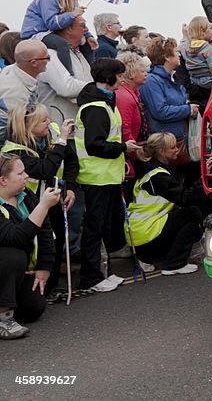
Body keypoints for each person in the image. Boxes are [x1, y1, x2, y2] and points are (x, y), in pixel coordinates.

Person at [75, 58, 143, 293]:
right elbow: (95, 145)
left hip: (108, 175)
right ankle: (91, 278)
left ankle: (104, 272)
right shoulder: (95, 107)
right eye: (119, 75)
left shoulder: (104, 101)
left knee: (103, 227)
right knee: (94, 228)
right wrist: (124, 148)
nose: (122, 79)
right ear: (107, 78)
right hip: (96, 176)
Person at [1, 103, 78, 298]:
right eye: (43, 120)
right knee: (34, 242)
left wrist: (69, 187)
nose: (49, 122)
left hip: (53, 197)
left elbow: (70, 160)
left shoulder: (51, 132)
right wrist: (61, 141)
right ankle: (31, 288)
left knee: (56, 240)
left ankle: (49, 287)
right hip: (27, 203)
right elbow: (45, 170)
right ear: (28, 126)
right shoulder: (16, 150)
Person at [125, 133, 205, 275]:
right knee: (193, 213)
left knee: (186, 215)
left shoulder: (150, 169)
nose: (177, 150)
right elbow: (185, 197)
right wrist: (203, 177)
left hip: (139, 234)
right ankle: (175, 264)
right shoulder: (158, 176)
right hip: (145, 234)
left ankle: (146, 257)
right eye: (172, 147)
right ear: (161, 152)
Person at [0, 152, 59, 339]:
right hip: (7, 261)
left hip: (17, 271)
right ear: (3, 180)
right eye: (20, 173)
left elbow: (45, 232)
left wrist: (44, 267)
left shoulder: (26, 195)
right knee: (13, 254)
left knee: (34, 307)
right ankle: (3, 318)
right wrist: (43, 206)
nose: (26, 176)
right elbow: (16, 237)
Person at [20, 0, 97, 69]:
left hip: (53, 32)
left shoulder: (71, 1)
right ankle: (68, 74)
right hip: (37, 33)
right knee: (62, 44)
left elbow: (77, 22)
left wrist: (88, 36)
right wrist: (72, 14)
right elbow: (52, 23)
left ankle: (92, 74)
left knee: (85, 43)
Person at [139, 38, 198, 154]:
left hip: (179, 140)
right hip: (165, 146)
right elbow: (160, 111)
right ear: (166, 57)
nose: (179, 54)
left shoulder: (171, 78)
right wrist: (188, 110)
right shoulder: (151, 81)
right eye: (176, 52)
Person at [35, 17, 92, 123]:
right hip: (58, 131)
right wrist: (98, 87)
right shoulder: (49, 55)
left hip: (78, 128)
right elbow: (66, 88)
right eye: (82, 25)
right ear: (68, 29)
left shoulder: (79, 53)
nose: (86, 29)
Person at [115, 51, 150, 183]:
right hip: (128, 155)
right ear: (130, 74)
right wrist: (137, 154)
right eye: (142, 71)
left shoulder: (133, 92)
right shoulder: (124, 96)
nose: (146, 73)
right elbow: (125, 129)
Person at [0, 40, 50, 112]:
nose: (48, 61)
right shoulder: (15, 93)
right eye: (47, 58)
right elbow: (14, 122)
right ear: (34, 63)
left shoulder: (12, 70)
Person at [182, 16, 212, 111]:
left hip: (194, 80)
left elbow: (180, 46)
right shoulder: (207, 48)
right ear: (202, 32)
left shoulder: (185, 47)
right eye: (210, 29)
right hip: (208, 82)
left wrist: (184, 35)